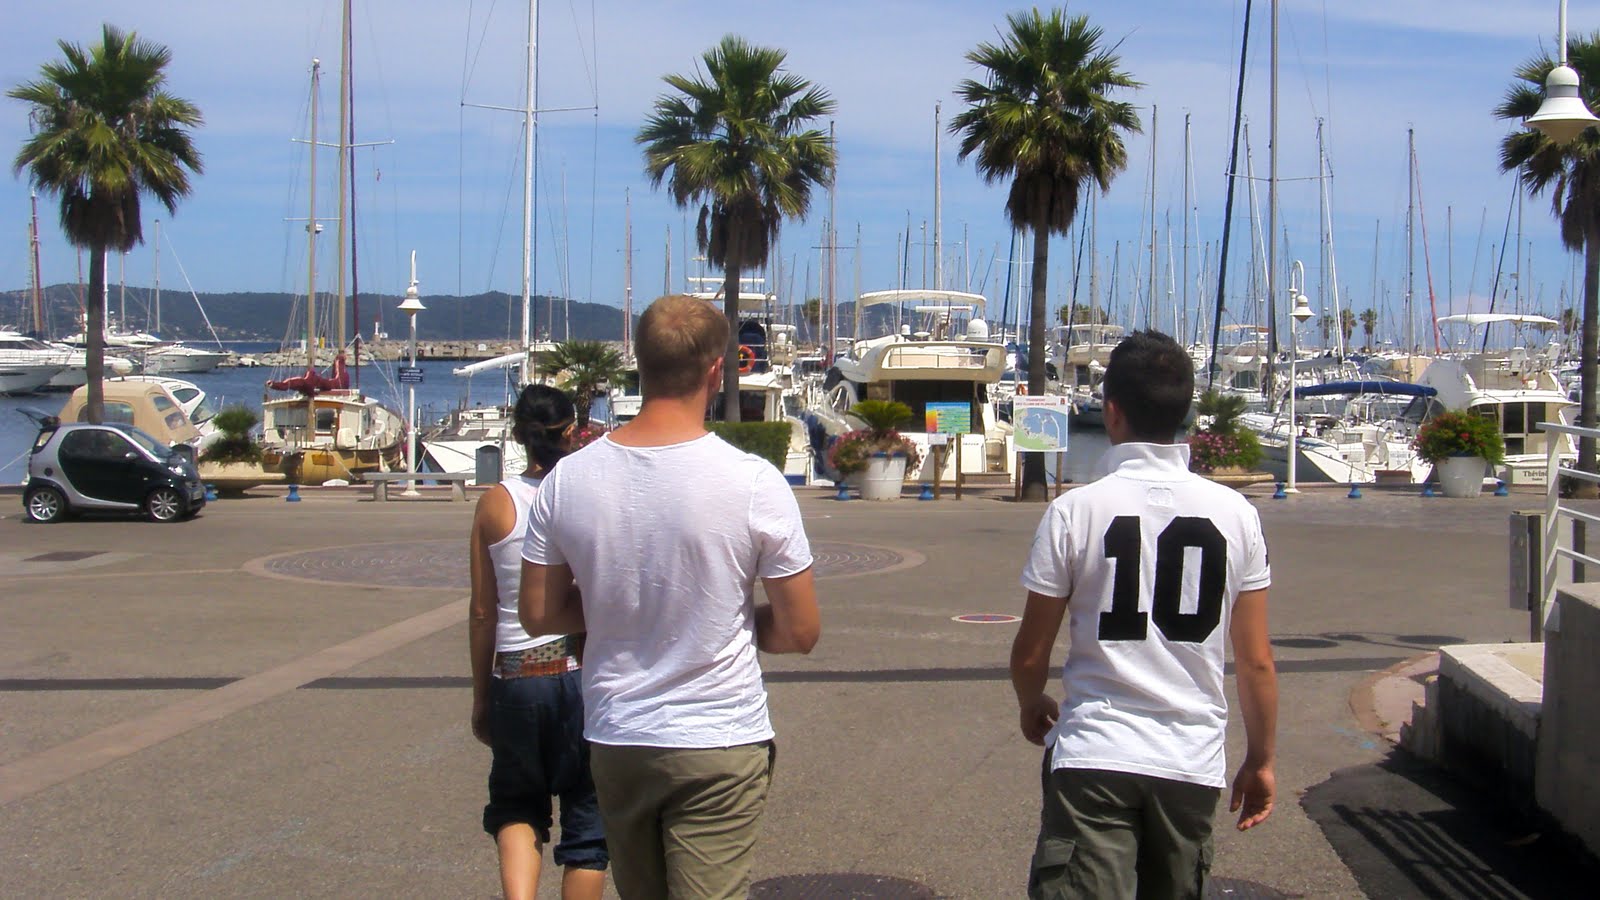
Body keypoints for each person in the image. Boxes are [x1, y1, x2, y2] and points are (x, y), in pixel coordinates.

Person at [520, 293, 821, 900]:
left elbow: (539, 612)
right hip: (717, 734)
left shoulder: (567, 480)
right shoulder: (753, 482)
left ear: (639, 361)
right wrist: (722, 614)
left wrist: (613, 606)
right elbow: (799, 631)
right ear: (717, 370)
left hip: (618, 732)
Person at [1011, 329, 1278, 899]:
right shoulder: (1236, 514)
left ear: (1111, 412)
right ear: (1184, 412)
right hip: (1190, 759)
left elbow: (1031, 651)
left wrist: (1032, 700)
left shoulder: (1075, 511)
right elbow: (1256, 662)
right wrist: (1260, 760)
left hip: (1096, 751)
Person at [469, 385, 607, 900]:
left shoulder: (495, 504)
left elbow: (482, 613)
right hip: (579, 671)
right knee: (588, 825)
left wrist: (482, 697)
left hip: (515, 675)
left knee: (516, 806)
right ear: (572, 432)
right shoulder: (588, 498)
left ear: (518, 435)